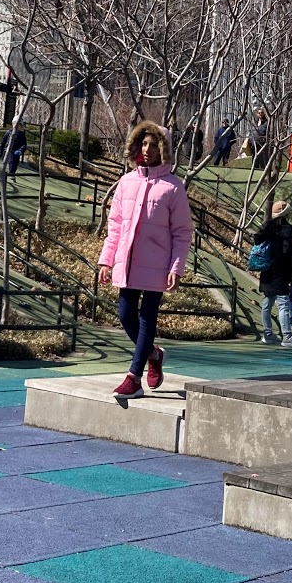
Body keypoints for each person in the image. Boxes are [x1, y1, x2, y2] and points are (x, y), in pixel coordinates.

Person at [98, 121, 191, 398]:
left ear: (164, 149)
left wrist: (176, 267)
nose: (147, 149)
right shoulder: (126, 182)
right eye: (144, 143)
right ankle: (154, 354)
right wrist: (106, 260)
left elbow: (182, 232)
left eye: (153, 145)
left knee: (147, 317)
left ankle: (133, 377)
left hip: (158, 265)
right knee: (125, 315)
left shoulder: (173, 187)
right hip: (127, 262)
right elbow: (115, 225)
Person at [255, 199, 292, 348]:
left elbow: (257, 240)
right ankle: (287, 337)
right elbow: (286, 251)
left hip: (267, 268)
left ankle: (267, 334)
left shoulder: (267, 226)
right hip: (280, 270)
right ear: (286, 214)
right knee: (283, 304)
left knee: (267, 302)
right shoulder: (286, 229)